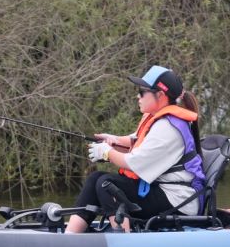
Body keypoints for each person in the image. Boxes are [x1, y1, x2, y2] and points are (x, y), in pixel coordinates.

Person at [64, 65, 205, 233]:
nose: (137, 96)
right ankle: (70, 236)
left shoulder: (168, 128)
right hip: (161, 191)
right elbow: (136, 143)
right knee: (96, 178)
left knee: (106, 184)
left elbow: (133, 162)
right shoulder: (158, 121)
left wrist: (106, 152)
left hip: (178, 201)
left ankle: (124, 239)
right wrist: (113, 142)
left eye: (142, 91)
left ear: (160, 95)